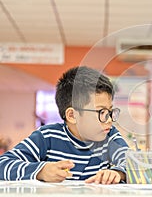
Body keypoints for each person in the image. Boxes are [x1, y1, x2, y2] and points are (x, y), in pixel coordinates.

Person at [0, 66, 129, 184]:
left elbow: (131, 163)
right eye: (102, 112)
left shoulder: (109, 136)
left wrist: (118, 173)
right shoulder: (47, 137)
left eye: (110, 111)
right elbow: (3, 164)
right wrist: (41, 171)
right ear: (72, 116)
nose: (109, 120)